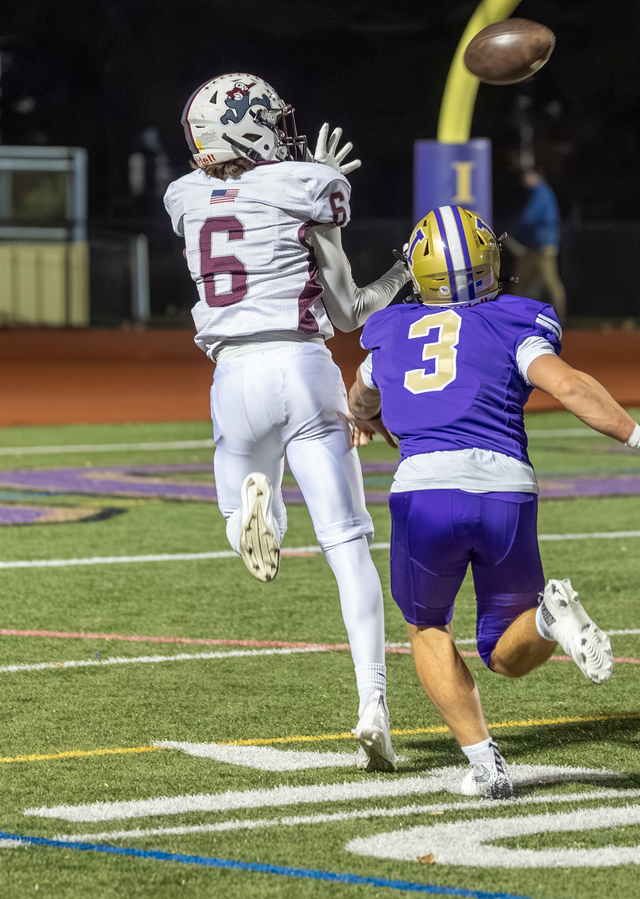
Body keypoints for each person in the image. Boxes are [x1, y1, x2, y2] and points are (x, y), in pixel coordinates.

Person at [347, 205, 640, 797]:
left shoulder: (391, 332)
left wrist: (366, 419)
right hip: (506, 491)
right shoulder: (512, 320)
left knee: (428, 628)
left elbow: (362, 392)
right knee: (506, 652)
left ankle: (486, 766)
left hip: (425, 493)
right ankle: (551, 619)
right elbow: (571, 386)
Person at [165, 72, 409, 771]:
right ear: (249, 127)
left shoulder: (185, 198)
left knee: (245, 526)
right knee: (348, 549)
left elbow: (218, 186)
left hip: (231, 377)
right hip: (301, 367)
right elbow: (348, 313)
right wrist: (399, 276)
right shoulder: (305, 185)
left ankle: (261, 512)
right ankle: (372, 705)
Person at [514, 167, 567, 320]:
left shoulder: (541, 192)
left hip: (543, 246)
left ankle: (560, 319)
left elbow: (528, 217)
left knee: (551, 283)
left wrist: (516, 230)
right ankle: (516, 318)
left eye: (527, 176)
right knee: (521, 282)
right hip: (534, 247)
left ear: (536, 175)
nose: (524, 180)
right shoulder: (539, 192)